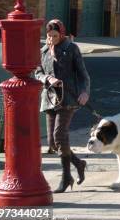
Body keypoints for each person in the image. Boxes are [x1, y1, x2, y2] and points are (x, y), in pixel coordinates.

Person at [35, 19, 90, 193]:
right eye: (49, 36)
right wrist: (47, 79)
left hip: (68, 98)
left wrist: (84, 92)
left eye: (55, 36)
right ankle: (79, 164)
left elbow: (83, 75)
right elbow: (37, 72)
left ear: (62, 34)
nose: (51, 39)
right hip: (49, 98)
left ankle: (66, 177)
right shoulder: (43, 51)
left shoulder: (71, 49)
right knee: (53, 143)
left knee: (59, 135)